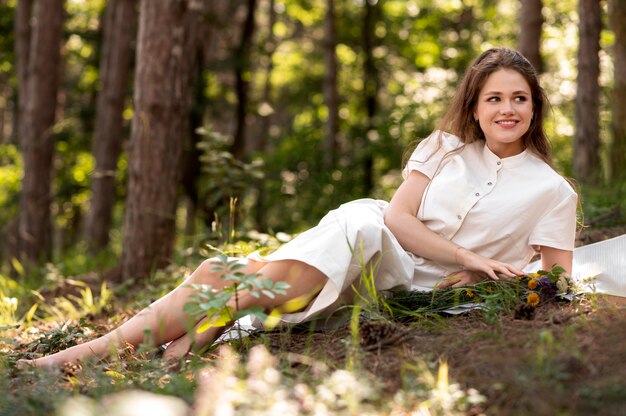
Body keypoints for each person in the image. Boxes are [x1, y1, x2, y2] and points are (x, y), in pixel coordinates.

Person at [17, 47, 577, 369]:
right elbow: (399, 219)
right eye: (494, 98)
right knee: (363, 222)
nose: (507, 109)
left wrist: (474, 279)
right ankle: (95, 353)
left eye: (519, 98)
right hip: (378, 237)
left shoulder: (553, 191)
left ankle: (200, 316)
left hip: (415, 281)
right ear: (475, 109)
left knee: (224, 273)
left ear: (535, 107)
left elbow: (555, 281)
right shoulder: (443, 147)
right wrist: (468, 254)